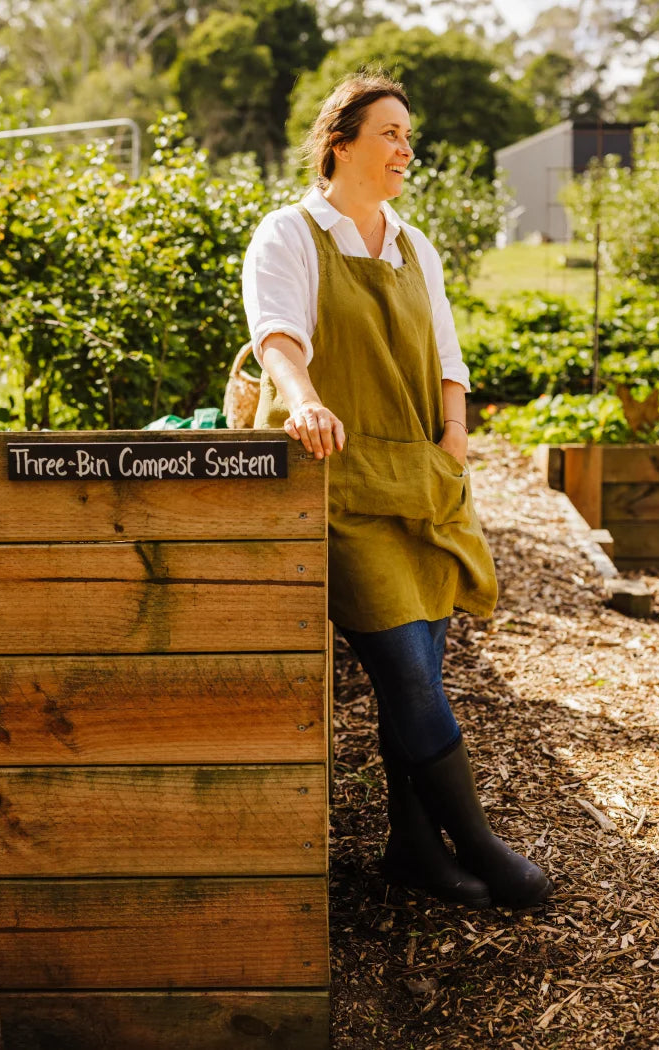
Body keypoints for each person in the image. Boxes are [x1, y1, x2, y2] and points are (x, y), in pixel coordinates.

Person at [242, 72, 551, 909]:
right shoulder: (291, 235)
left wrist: (454, 436)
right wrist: (303, 399)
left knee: (423, 668)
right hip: (339, 485)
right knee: (408, 675)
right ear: (339, 143)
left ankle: (412, 845)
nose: (407, 150)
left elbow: (447, 355)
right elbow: (276, 337)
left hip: (421, 479)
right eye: (391, 134)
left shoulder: (416, 246)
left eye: (409, 135)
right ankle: (479, 841)